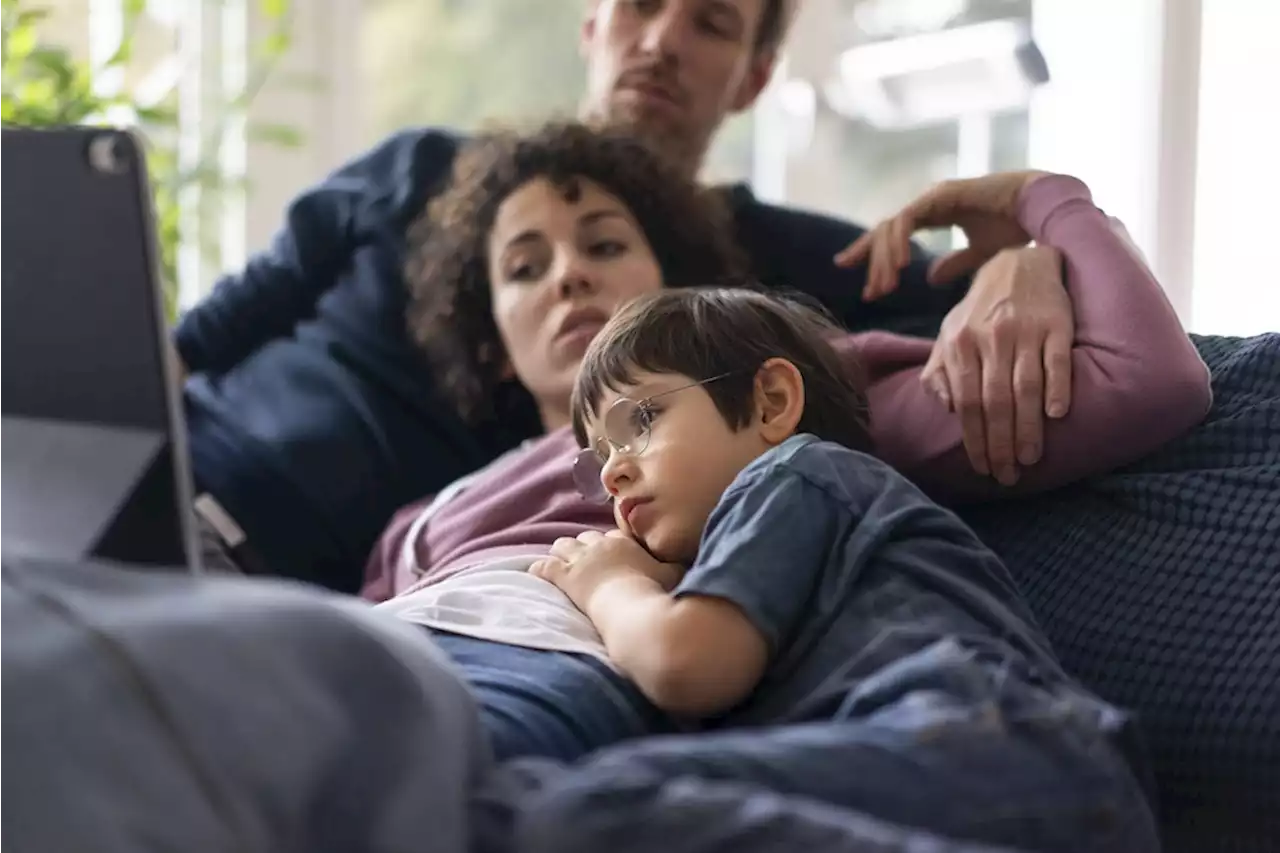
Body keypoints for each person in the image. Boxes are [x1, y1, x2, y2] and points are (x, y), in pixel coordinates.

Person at [365, 120, 1211, 762]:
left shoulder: (774, 407)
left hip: (546, 658)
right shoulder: (424, 516)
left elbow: (1149, 380)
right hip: (380, 647)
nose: (569, 275)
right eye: (524, 267)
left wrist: (1039, 221)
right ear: (490, 342)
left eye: (605, 244)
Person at [175, 0, 1080, 592]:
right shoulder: (417, 171)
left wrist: (1027, 260)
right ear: (592, 22)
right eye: (642, 6)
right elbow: (190, 337)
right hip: (163, 462)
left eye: (711, 24)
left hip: (280, 588)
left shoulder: (747, 274)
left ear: (755, 77)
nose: (660, 43)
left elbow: (947, 311)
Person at [509, 285, 1162, 852]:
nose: (615, 469)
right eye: (599, 459)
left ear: (770, 401)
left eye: (643, 419)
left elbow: (684, 663)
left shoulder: (799, 474)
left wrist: (608, 582)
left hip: (1010, 753)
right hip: (993, 781)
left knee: (589, 806)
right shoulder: (738, 561)